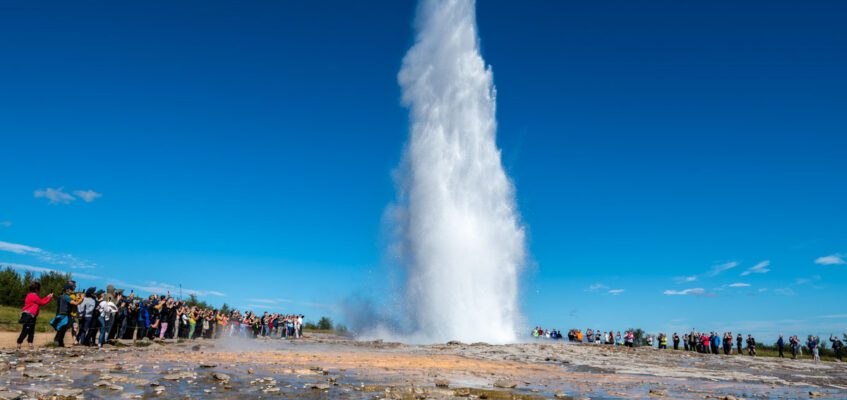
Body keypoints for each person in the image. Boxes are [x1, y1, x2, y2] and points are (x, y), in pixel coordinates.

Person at [17, 282, 53, 350]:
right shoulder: (34, 296)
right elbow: (42, 303)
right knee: (26, 330)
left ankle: (30, 343)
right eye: (39, 289)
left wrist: (48, 296)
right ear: (36, 289)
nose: (39, 291)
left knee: (31, 330)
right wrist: (49, 297)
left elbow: (40, 301)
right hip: (29, 315)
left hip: (31, 315)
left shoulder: (29, 295)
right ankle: (19, 343)